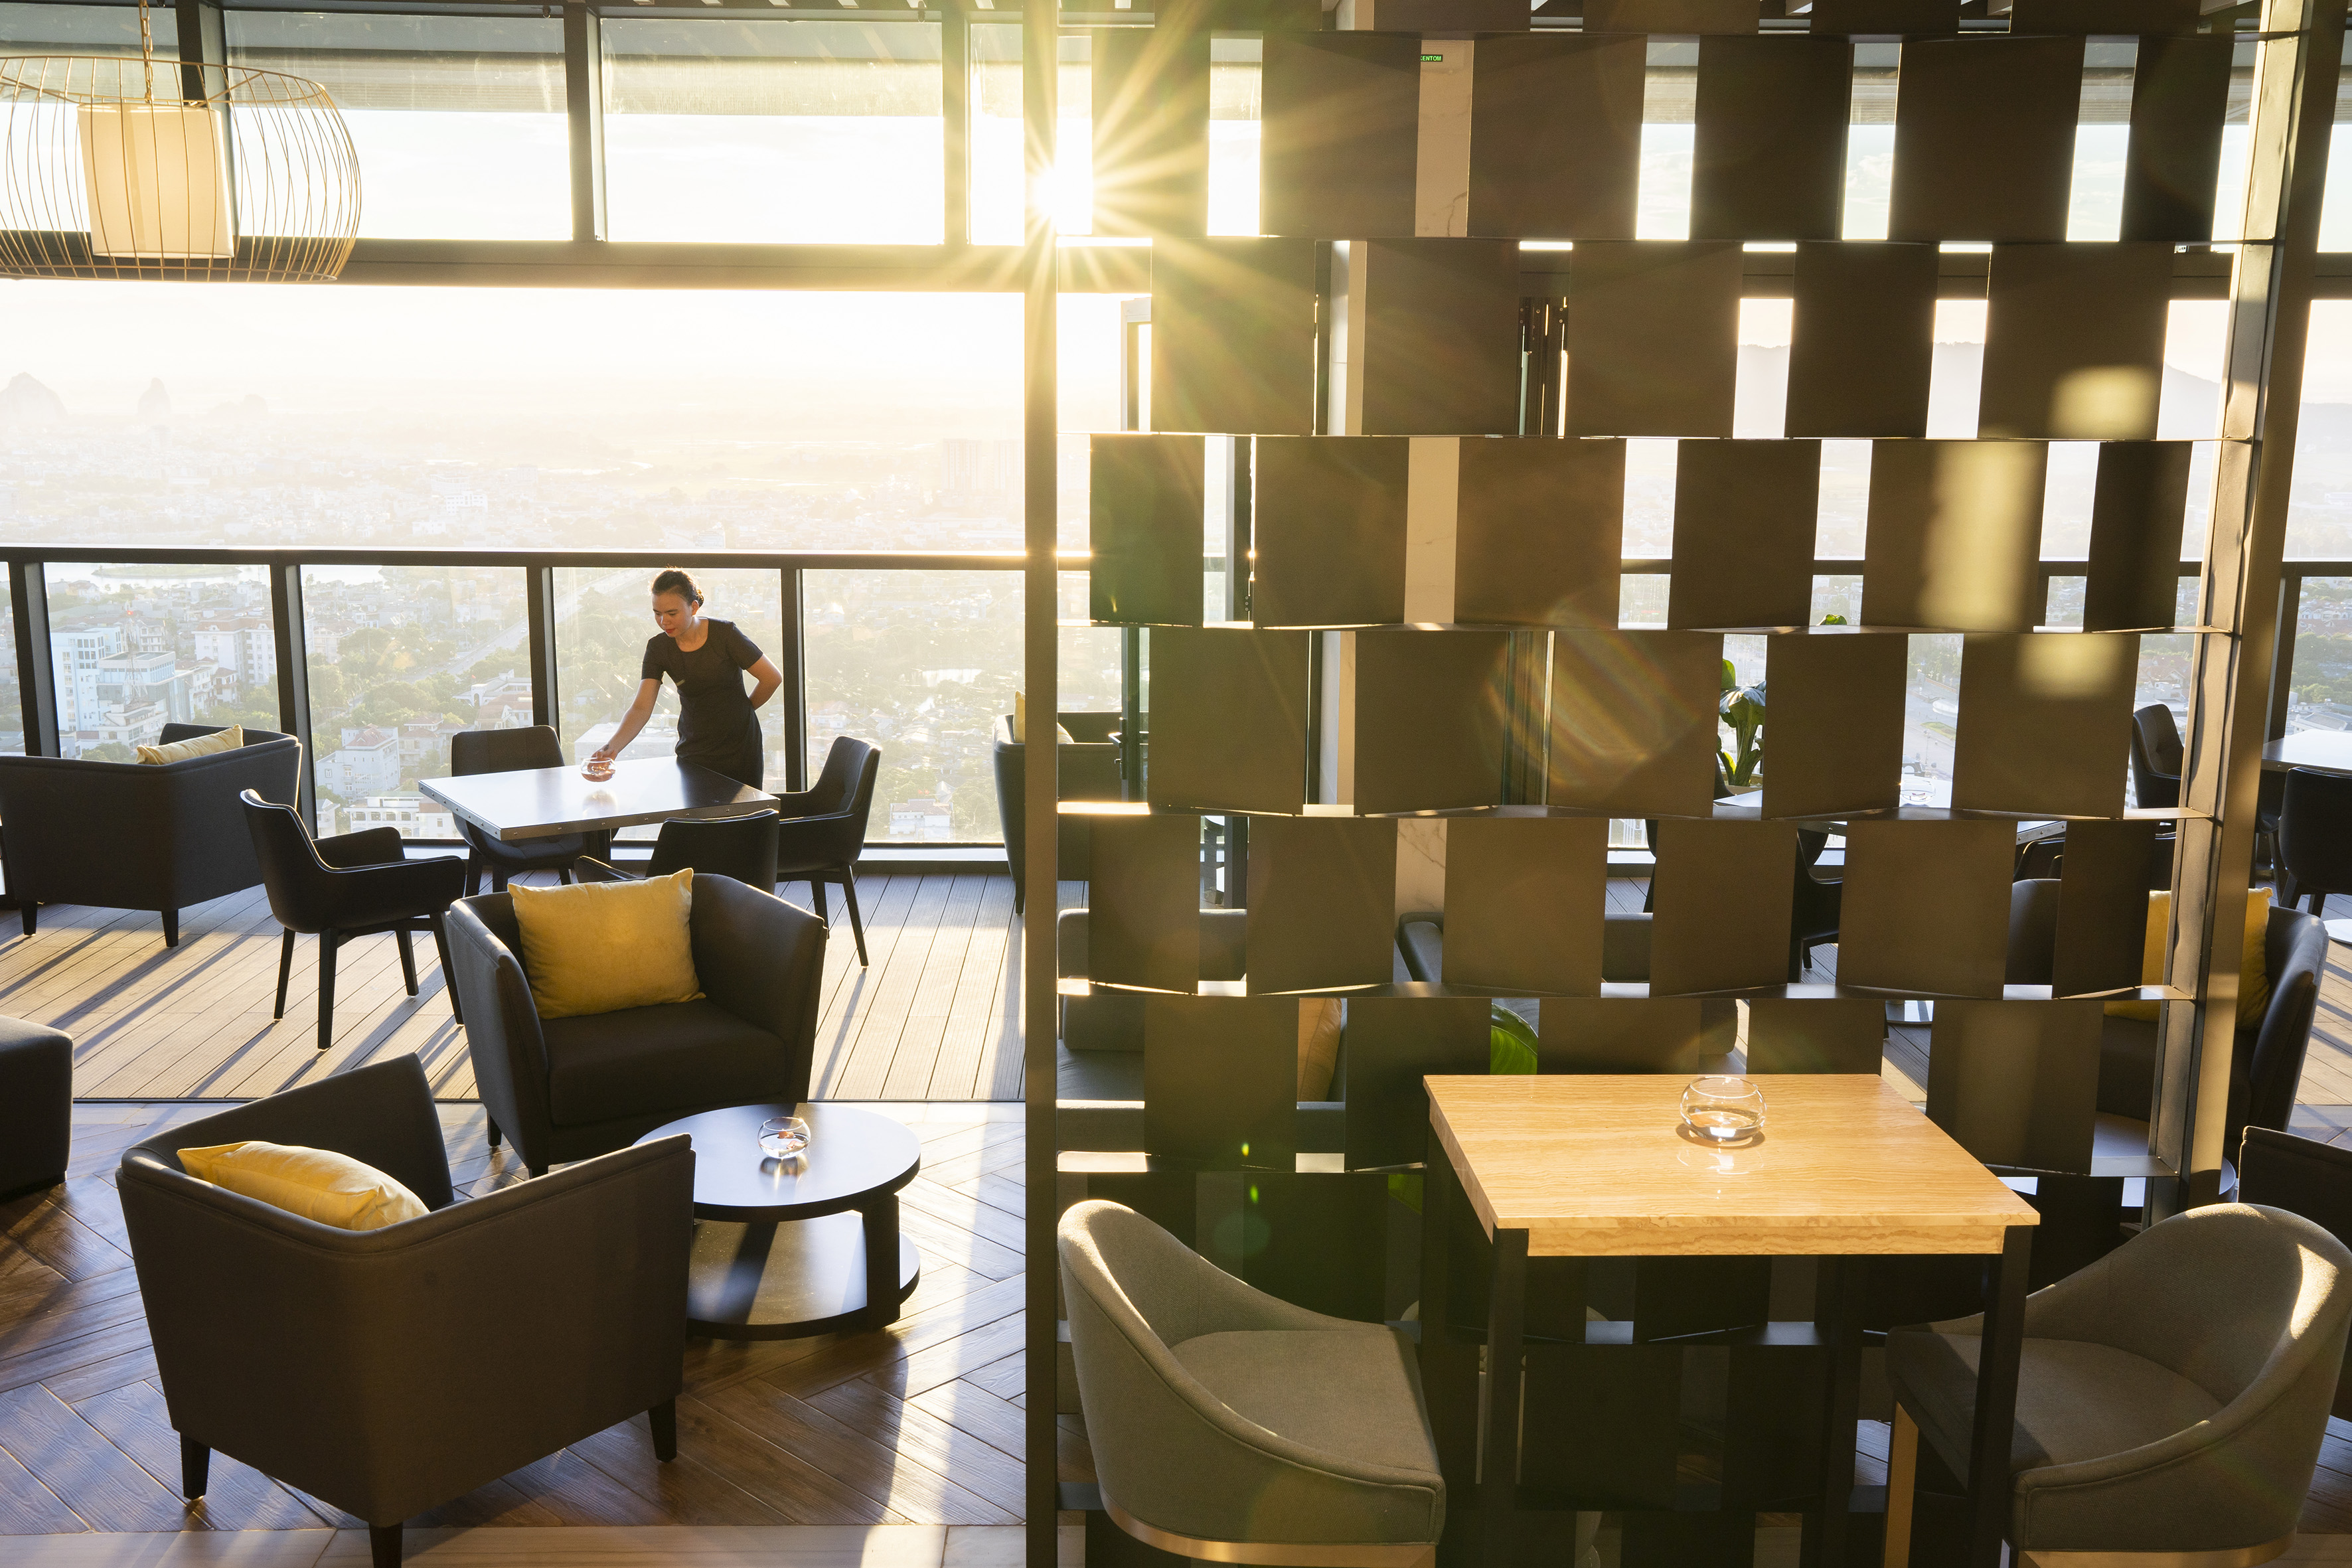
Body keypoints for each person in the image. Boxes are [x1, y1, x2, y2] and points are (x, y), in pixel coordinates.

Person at [593, 568, 782, 791]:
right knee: (696, 820)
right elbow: (641, 708)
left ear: (693, 607)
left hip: (740, 747)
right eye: (657, 613)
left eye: (672, 613)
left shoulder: (725, 634)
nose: (664, 621)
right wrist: (612, 748)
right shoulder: (658, 648)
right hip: (694, 749)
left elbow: (771, 678)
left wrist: (743, 709)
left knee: (741, 820)